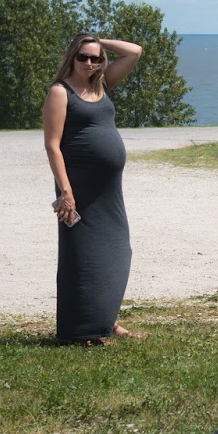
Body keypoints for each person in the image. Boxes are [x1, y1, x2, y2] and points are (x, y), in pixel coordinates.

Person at [42, 33, 144, 345]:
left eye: (96, 58)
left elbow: (134, 52)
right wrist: (66, 190)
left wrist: (97, 40)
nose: (90, 62)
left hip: (108, 188)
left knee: (116, 252)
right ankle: (84, 329)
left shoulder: (100, 84)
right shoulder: (60, 92)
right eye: (83, 56)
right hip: (78, 186)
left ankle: (107, 319)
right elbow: (52, 145)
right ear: (72, 57)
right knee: (81, 257)